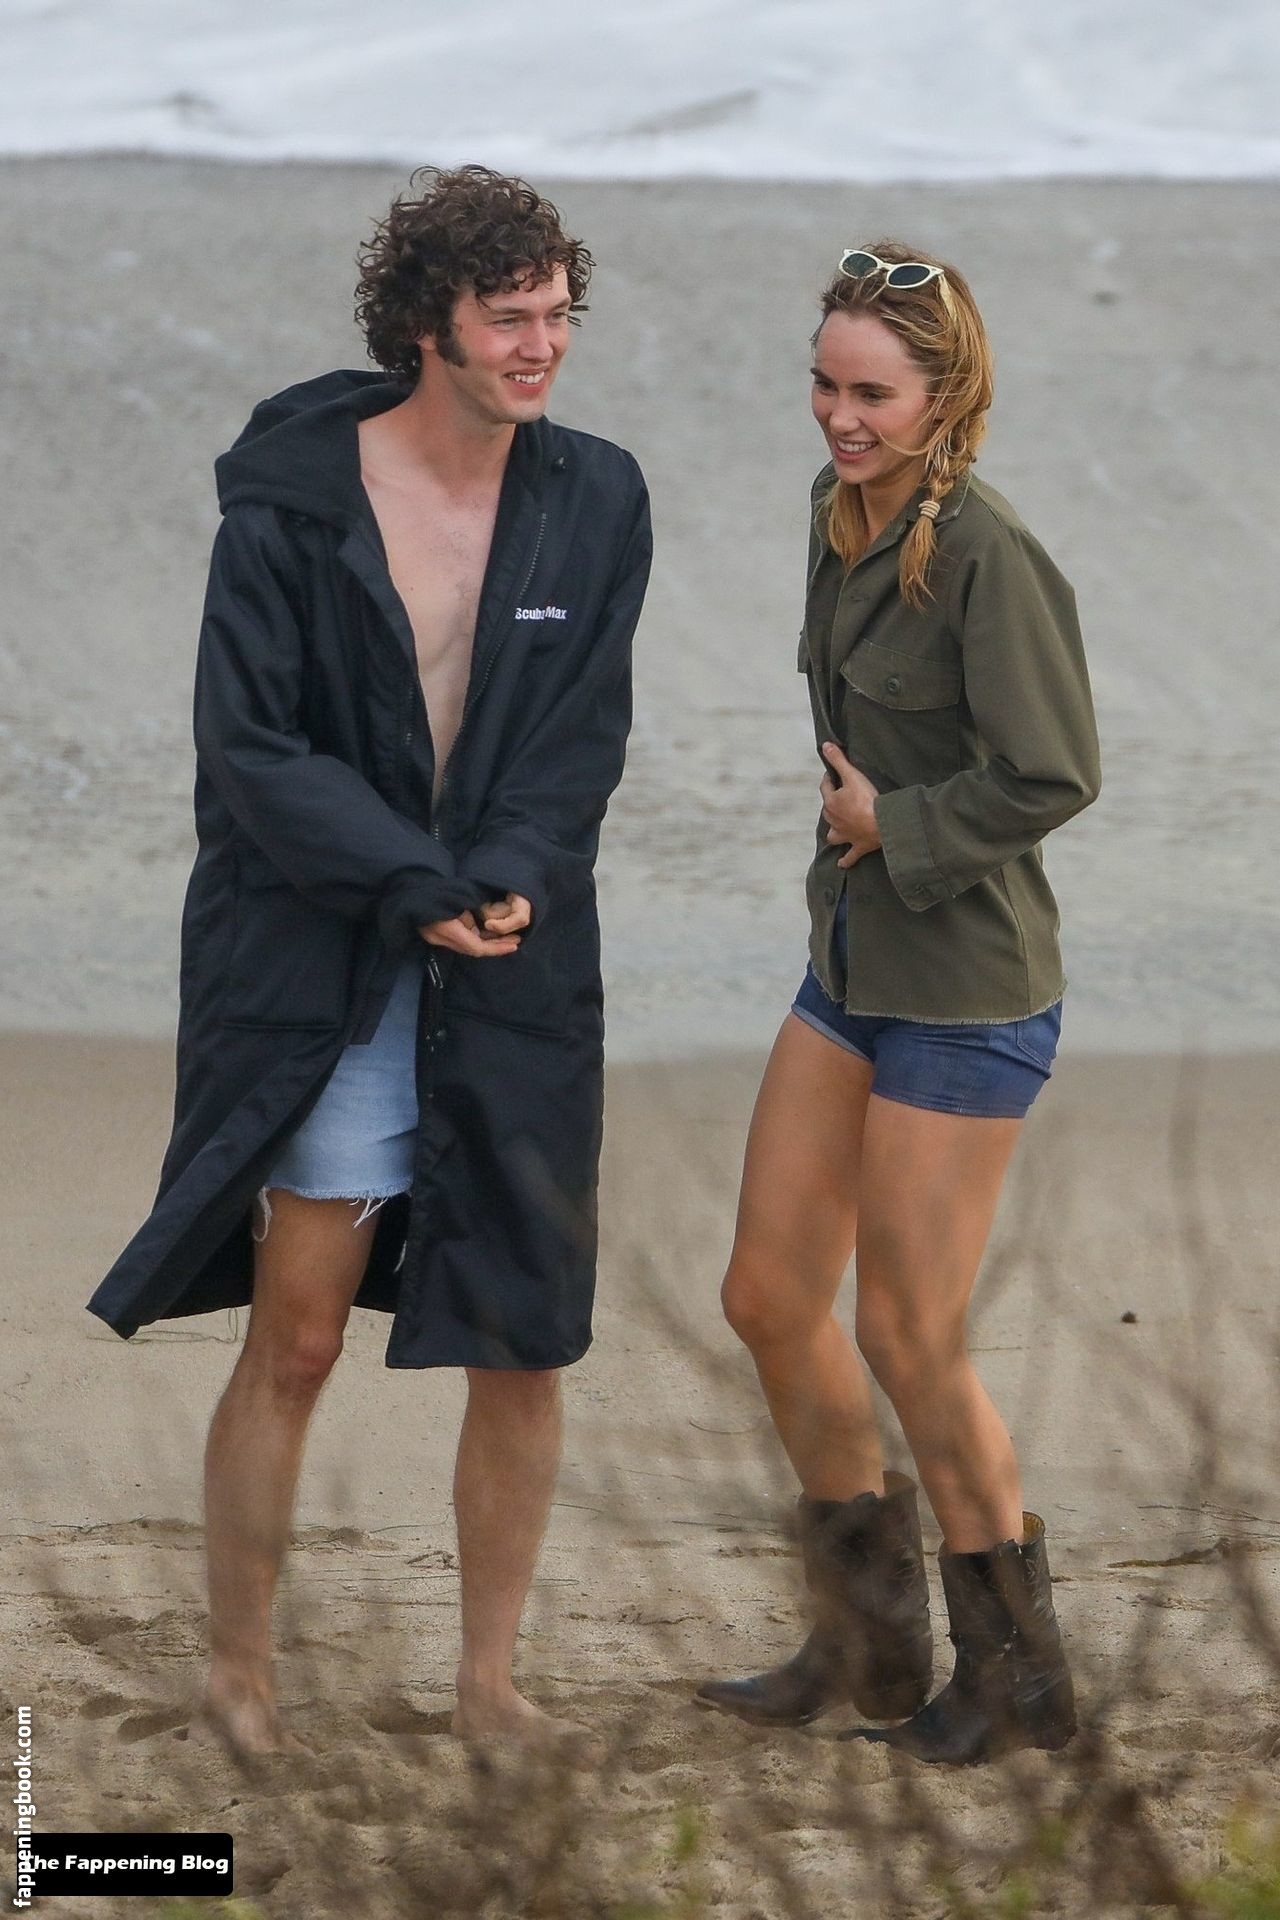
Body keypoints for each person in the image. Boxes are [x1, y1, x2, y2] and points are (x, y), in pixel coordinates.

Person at [87, 165, 652, 1754]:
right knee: (302, 1329)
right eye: (510, 317)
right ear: (426, 325)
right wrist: (412, 885)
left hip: (515, 960)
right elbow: (251, 748)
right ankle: (239, 1676)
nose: (543, 346)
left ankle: (489, 1687)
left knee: (523, 1342)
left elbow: (582, 735)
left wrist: (513, 878)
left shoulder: (598, 497)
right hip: (328, 952)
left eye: (559, 314)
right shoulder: (293, 504)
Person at [695, 242, 1101, 1764]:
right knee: (765, 1295)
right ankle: (867, 1642)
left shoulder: (992, 554)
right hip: (854, 967)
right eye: (825, 385)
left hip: (968, 991)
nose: (840, 417)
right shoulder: (839, 511)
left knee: (908, 1334)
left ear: (944, 394)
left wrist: (897, 824)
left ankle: (1019, 1681)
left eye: (871, 393)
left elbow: (1056, 772)